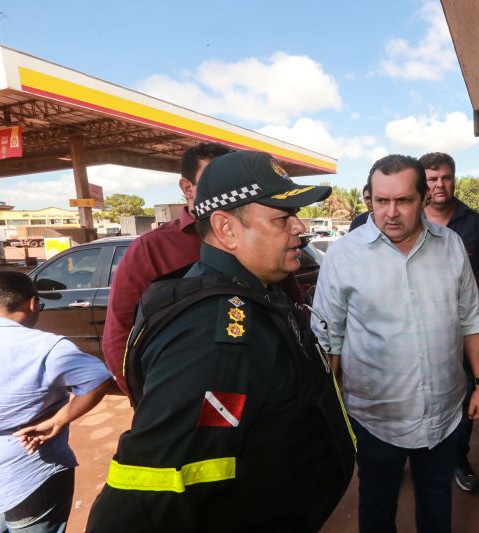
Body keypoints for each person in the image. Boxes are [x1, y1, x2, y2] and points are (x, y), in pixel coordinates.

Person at [86, 151, 356, 532]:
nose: (300, 227)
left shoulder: (260, 292)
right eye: (282, 218)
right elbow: (147, 491)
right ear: (226, 229)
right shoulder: (218, 337)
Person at [311, 154, 479, 533]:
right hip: (375, 419)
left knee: (436, 502)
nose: (391, 212)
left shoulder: (452, 245)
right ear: (370, 200)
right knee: (376, 507)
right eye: (381, 201)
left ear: (423, 199)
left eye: (403, 201)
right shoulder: (343, 256)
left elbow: (471, 317)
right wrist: (328, 411)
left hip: (444, 412)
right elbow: (330, 339)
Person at [102, 142, 231, 395]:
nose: (225, 190)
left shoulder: (255, 238)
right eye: (214, 180)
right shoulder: (150, 249)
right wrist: (145, 398)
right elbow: (119, 333)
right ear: (187, 187)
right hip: (181, 392)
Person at [0, 271, 113, 533]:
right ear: (32, 303)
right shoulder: (47, 347)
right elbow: (98, 379)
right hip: (31, 475)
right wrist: (59, 420)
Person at [420, 151, 479, 493]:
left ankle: (458, 457)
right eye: (432, 178)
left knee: (466, 390)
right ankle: (413, 453)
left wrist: (453, 294)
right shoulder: (408, 217)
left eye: (445, 177)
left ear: (454, 179)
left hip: (462, 327)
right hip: (414, 326)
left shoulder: (475, 224)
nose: (439, 184)